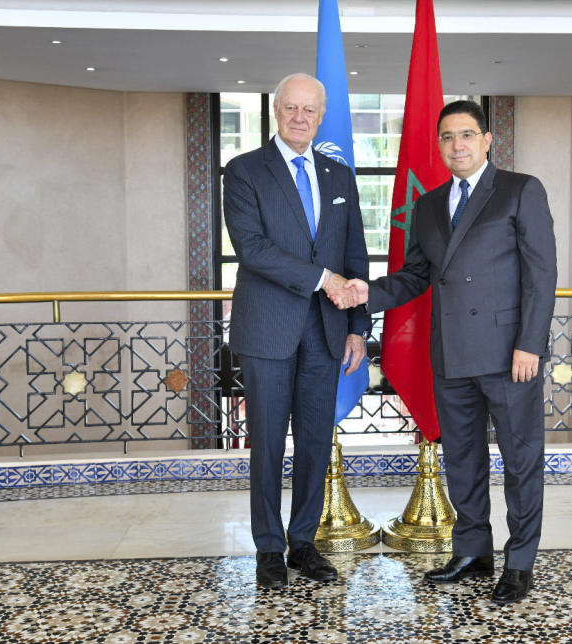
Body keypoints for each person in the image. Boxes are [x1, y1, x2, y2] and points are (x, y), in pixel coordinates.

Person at [338, 100, 557, 605]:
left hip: (509, 355)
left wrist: (530, 344)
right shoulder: (429, 204)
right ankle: (473, 551)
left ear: (486, 140)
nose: (456, 145)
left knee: (521, 461)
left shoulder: (520, 190)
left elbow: (542, 276)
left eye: (465, 135)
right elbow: (417, 276)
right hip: (452, 353)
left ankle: (519, 562)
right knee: (463, 459)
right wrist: (366, 290)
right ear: (439, 145)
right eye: (447, 137)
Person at [223, 72, 370, 589]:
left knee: (314, 441)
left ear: (321, 116)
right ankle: (268, 547)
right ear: (277, 110)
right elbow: (254, 250)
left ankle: (303, 542)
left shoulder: (338, 176)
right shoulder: (244, 172)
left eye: (310, 110)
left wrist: (357, 327)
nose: (300, 117)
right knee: (265, 443)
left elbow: (354, 256)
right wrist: (323, 279)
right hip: (268, 328)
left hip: (328, 332)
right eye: (292, 108)